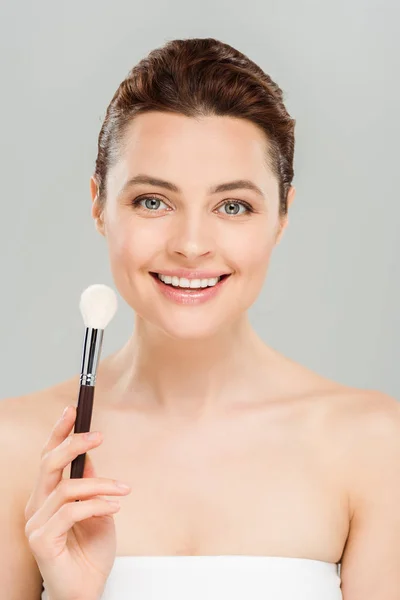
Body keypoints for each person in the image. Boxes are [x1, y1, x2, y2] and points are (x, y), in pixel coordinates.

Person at [1, 37, 399, 600]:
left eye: (232, 206)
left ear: (281, 217)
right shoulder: (16, 449)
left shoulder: (374, 445)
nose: (191, 245)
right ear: (98, 205)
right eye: (153, 202)